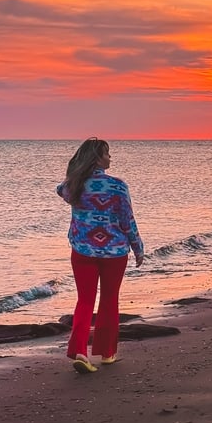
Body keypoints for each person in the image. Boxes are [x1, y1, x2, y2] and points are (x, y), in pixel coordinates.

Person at [56, 137, 144, 374]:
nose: (110, 157)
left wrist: (76, 177)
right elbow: (127, 221)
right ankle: (107, 353)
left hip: (82, 251)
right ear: (97, 158)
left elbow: (59, 190)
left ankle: (80, 352)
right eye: (106, 153)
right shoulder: (118, 186)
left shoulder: (73, 185)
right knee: (109, 299)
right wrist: (138, 247)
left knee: (84, 301)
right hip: (114, 252)